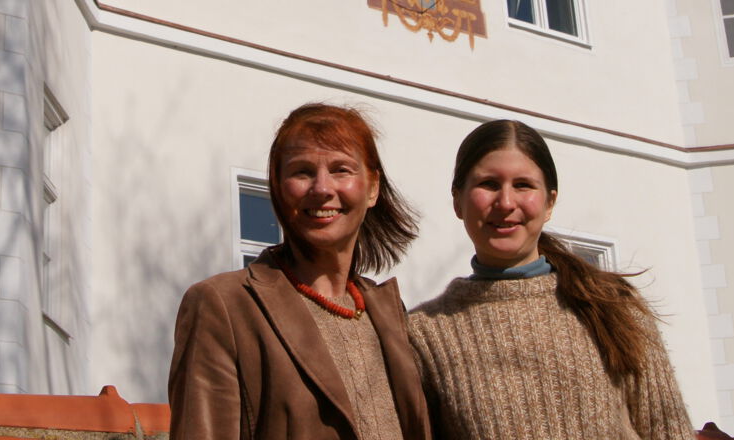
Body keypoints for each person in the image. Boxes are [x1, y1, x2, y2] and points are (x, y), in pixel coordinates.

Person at [408, 119, 695, 440]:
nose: (505, 202)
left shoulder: (611, 304)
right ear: (458, 201)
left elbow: (670, 432)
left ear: (549, 203)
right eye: (488, 184)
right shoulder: (425, 333)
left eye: (523, 185)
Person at [168, 103, 431, 440]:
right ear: (277, 187)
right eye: (302, 172)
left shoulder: (393, 317)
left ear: (372, 188)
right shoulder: (223, 307)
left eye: (341, 170)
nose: (322, 188)